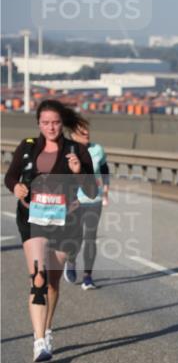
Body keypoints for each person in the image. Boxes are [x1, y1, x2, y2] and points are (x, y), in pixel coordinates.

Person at [4, 99, 96, 362]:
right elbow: (10, 176)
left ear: (62, 123)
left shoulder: (77, 150)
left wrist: (78, 172)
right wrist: (16, 187)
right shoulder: (27, 147)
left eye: (55, 122)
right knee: (38, 278)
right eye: (45, 123)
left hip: (65, 222)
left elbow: (91, 191)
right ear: (38, 124)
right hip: (32, 220)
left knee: (53, 283)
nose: (51, 127)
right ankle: (39, 342)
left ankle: (47, 329)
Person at [63, 118, 110, 290]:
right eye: (82, 132)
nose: (86, 134)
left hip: (93, 199)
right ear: (73, 135)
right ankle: (71, 260)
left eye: (87, 130)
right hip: (74, 200)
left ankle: (88, 276)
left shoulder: (97, 149)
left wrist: (106, 191)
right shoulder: (67, 150)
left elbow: (104, 170)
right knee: (75, 237)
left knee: (90, 237)